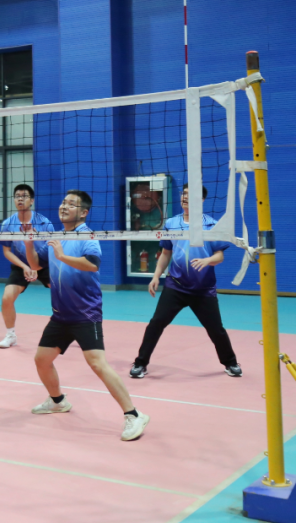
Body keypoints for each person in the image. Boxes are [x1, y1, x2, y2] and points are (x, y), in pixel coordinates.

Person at [25, 190, 149, 441]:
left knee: (97, 364)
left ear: (83, 213)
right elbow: (37, 264)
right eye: (63, 202)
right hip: (60, 315)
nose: (64, 206)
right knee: (42, 359)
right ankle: (58, 401)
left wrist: (62, 256)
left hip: (85, 314)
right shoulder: (56, 236)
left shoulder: (87, 236)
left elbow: (92, 264)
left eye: (71, 204)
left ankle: (134, 415)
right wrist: (28, 243)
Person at [131, 185, 240, 379]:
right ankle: (140, 363)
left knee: (216, 330)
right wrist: (156, 276)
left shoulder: (212, 225)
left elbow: (220, 256)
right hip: (176, 286)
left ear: (202, 200)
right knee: (156, 323)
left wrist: (207, 260)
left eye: (191, 194)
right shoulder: (172, 223)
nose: (185, 197)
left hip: (203, 289)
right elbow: (166, 253)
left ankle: (231, 363)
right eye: (184, 194)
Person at [0, 184, 55, 348]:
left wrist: (36, 266)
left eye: (24, 196)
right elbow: (7, 252)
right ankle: (10, 335)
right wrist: (25, 266)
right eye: (17, 196)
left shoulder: (44, 222)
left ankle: (75, 330)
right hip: (21, 265)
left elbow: (52, 249)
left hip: (44, 263)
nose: (20, 199)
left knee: (65, 295)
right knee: (7, 298)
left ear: (32, 200)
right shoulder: (8, 224)